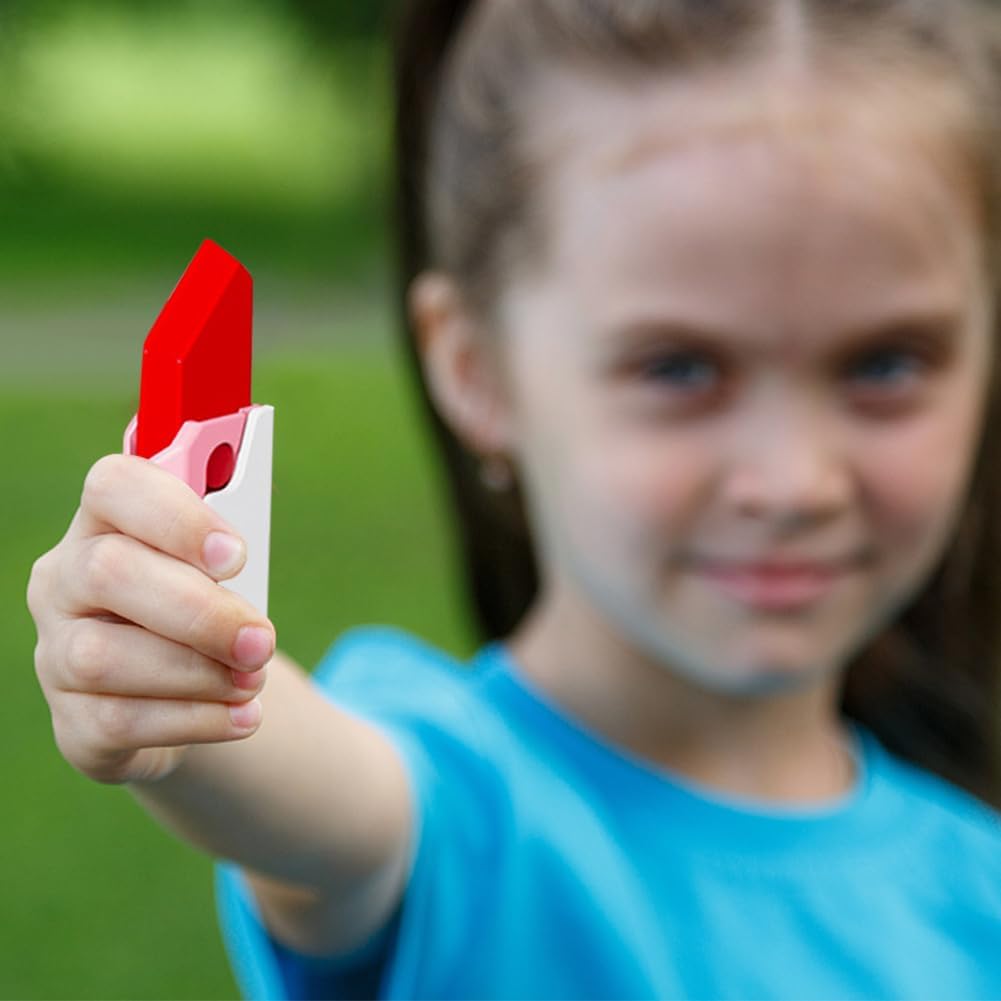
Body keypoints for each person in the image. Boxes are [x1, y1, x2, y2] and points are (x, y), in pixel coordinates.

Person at [26, 0, 1001, 997]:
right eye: (677, 368)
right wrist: (174, 668)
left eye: (885, 363)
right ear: (474, 369)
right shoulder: (461, 808)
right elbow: (319, 800)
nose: (794, 482)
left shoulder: (976, 893)